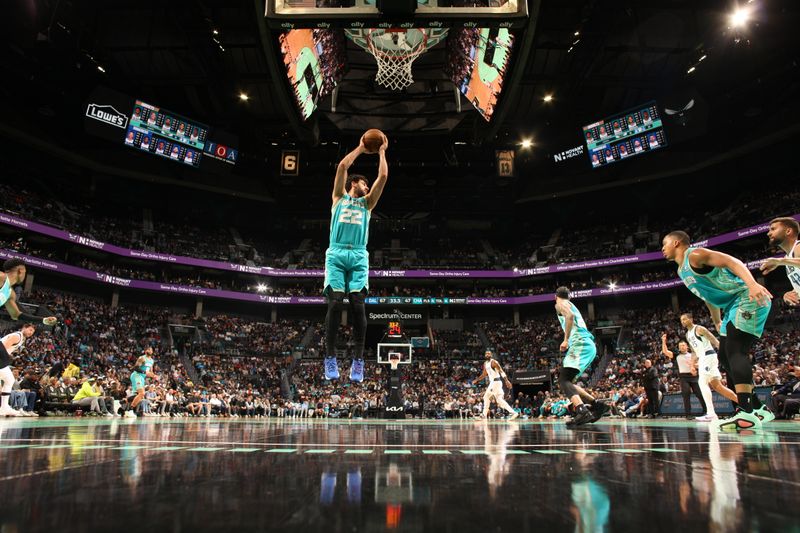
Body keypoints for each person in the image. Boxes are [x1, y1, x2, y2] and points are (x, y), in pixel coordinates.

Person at [662, 230, 773, 430]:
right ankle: (759, 408)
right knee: (724, 356)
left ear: (677, 243)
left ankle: (747, 413)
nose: (662, 248)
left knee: (735, 351)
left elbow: (732, 262)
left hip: (747, 297)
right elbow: (707, 296)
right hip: (732, 307)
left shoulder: (694, 255)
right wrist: (717, 320)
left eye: (665, 244)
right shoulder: (681, 270)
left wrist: (752, 284)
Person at [323, 131, 388, 381]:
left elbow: (383, 176)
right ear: (354, 183)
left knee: (359, 306)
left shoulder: (368, 204)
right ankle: (330, 358)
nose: (367, 186)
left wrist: (381, 151)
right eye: (364, 184)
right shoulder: (338, 198)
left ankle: (358, 361)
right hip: (336, 252)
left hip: (359, 255)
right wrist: (361, 148)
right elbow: (342, 165)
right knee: (336, 303)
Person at [0, 260, 56, 416]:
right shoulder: (1, 277)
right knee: (5, 361)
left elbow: (16, 314)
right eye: (25, 272)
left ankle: (4, 407)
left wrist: (42, 320)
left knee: (6, 368)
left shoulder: (9, 292)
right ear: (20, 270)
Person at [554, 286, 606, 427]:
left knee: (563, 380)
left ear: (556, 296)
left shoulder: (560, 303)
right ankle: (596, 405)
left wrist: (565, 339)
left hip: (580, 344)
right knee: (569, 382)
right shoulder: (570, 303)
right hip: (587, 345)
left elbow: (569, 316)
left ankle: (581, 410)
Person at [678, 313, 738, 422]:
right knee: (717, 387)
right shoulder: (687, 335)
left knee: (702, 383)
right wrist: (692, 365)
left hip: (708, 356)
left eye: (685, 319)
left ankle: (711, 413)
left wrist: (725, 352)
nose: (683, 321)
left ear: (691, 319)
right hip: (703, 359)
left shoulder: (699, 329)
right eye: (681, 320)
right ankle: (744, 404)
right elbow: (694, 351)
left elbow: (713, 339)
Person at [661, 333, 706, 419]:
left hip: (694, 376)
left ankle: (706, 411)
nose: (682, 347)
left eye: (683, 345)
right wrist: (663, 341)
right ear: (678, 347)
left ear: (687, 346)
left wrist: (696, 366)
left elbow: (699, 364)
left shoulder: (693, 354)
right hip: (683, 377)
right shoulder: (676, 355)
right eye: (680, 346)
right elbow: (665, 351)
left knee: (700, 394)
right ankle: (688, 414)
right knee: (686, 394)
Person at [760, 216, 800, 306]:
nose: (768, 234)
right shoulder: (788, 258)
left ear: (788, 231)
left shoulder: (798, 247)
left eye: (773, 229)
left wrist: (780, 261)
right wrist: (789, 294)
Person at [471, 350, 519, 420]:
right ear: (485, 355)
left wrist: (507, 380)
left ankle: (483, 415)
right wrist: (477, 380)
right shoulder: (485, 363)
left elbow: (501, 371)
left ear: (491, 355)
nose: (487, 355)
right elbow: (484, 374)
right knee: (499, 400)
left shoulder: (494, 362)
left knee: (486, 397)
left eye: (489, 354)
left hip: (496, 382)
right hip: (493, 383)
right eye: (486, 354)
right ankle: (514, 413)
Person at [123, 346, 157, 419]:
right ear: (145, 351)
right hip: (136, 375)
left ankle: (125, 401)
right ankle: (130, 410)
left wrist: (153, 376)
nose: (149, 350)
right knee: (142, 393)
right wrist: (145, 372)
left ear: (152, 352)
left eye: (151, 349)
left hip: (142, 377)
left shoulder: (152, 361)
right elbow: (136, 367)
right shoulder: (142, 358)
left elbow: (150, 372)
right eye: (148, 349)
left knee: (139, 395)